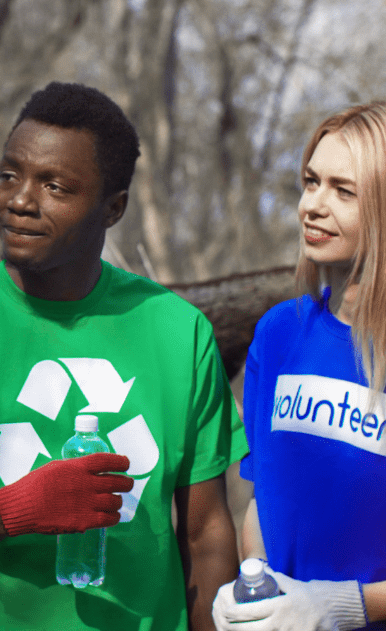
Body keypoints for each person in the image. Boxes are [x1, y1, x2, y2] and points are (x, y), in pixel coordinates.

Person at [0, 81, 246, 630]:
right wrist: (13, 512)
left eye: (56, 186)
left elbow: (206, 531)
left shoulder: (178, 331)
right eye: (9, 175)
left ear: (113, 208)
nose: (20, 200)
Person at [213, 102, 386, 630]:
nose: (313, 204)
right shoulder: (279, 333)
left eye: (343, 190)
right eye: (310, 182)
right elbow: (263, 500)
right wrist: (256, 588)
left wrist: (339, 607)